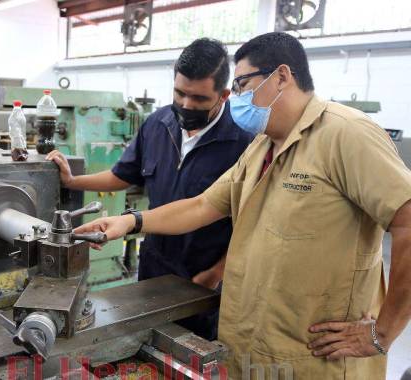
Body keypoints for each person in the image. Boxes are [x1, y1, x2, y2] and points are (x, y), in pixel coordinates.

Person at [75, 32, 411, 379]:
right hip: (253, 346)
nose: (236, 98)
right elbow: (204, 205)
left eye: (241, 85)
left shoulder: (346, 134)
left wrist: (382, 333)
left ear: (281, 76)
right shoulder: (262, 146)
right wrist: (131, 222)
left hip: (314, 356)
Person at [47, 38, 254, 340]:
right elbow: (123, 175)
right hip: (155, 264)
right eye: (180, 93)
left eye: (198, 99)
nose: (185, 105)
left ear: (223, 96)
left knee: (193, 354)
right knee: (145, 343)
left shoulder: (244, 141)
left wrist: (216, 273)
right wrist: (72, 182)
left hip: (203, 275)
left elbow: (249, 223)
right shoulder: (158, 124)